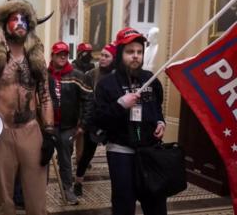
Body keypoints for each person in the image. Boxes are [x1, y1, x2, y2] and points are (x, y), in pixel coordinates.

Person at [0, 0, 54, 214]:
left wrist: (49, 133)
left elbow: (46, 96)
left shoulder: (37, 60)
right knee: (4, 202)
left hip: (31, 132)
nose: (20, 23)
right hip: (0, 133)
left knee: (37, 199)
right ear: (4, 24)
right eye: (15, 18)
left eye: (24, 19)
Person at [93, 27, 166, 215]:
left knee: (155, 200)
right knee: (124, 202)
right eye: (130, 52)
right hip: (121, 151)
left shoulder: (150, 79)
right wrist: (120, 105)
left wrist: (160, 121)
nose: (136, 56)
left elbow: (157, 106)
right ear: (120, 54)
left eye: (139, 52)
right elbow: (99, 119)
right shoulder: (106, 84)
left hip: (150, 150)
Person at [48, 41, 93, 205]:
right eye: (59, 54)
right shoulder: (45, 75)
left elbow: (88, 100)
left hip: (67, 127)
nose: (62, 56)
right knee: (42, 159)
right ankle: (38, 190)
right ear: (52, 56)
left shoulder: (77, 75)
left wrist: (83, 125)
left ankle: (68, 190)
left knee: (66, 160)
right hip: (47, 127)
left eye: (65, 54)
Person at [73, 43, 116, 196]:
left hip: (112, 121)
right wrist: (84, 120)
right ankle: (78, 182)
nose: (102, 59)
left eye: (106, 56)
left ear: (114, 58)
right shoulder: (92, 74)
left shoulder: (118, 76)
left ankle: (119, 186)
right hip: (93, 120)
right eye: (102, 55)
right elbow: (85, 99)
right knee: (87, 154)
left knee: (116, 155)